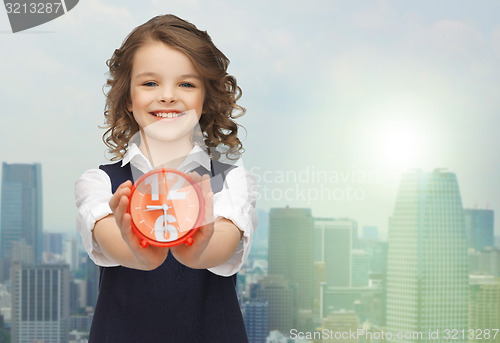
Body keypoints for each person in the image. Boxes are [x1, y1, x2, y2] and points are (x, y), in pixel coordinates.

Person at [75, 14, 257, 342]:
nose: (168, 95)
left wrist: (198, 250)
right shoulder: (99, 183)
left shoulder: (232, 181)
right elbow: (109, 239)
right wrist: (139, 253)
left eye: (186, 84)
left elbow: (223, 243)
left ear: (206, 98)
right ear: (128, 98)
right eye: (150, 83)